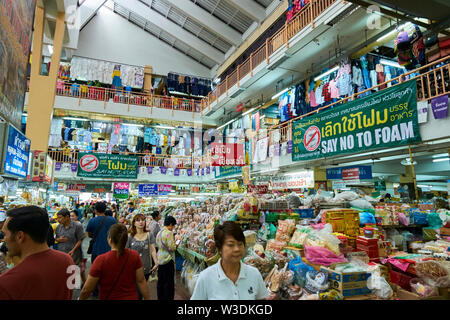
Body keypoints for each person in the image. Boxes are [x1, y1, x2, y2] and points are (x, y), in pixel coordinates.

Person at [0, 206, 74, 299]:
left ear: (20, 236)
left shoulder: (7, 283)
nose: (4, 239)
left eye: (5, 234)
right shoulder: (67, 260)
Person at [191, 221, 269, 300]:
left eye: (240, 244)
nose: (237, 249)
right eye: (231, 245)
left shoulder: (254, 274)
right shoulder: (206, 277)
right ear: (219, 248)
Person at [79, 223, 150, 300]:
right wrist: (147, 298)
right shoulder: (134, 256)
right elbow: (141, 281)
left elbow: (87, 289)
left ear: (110, 240)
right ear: (125, 239)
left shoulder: (101, 260)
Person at [127, 214, 158, 299]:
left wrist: (156, 262)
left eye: (143, 220)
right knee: (137, 293)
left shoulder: (149, 235)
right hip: (133, 269)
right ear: (134, 223)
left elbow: (152, 249)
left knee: (141, 292)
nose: (141, 222)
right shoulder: (130, 237)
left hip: (146, 268)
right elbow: (125, 253)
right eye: (138, 220)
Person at [156, 215, 177, 300]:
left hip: (160, 259)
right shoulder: (168, 233)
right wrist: (176, 244)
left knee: (161, 281)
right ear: (171, 224)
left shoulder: (159, 232)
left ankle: (160, 297)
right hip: (167, 260)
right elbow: (172, 248)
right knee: (169, 283)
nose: (173, 228)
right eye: (173, 226)